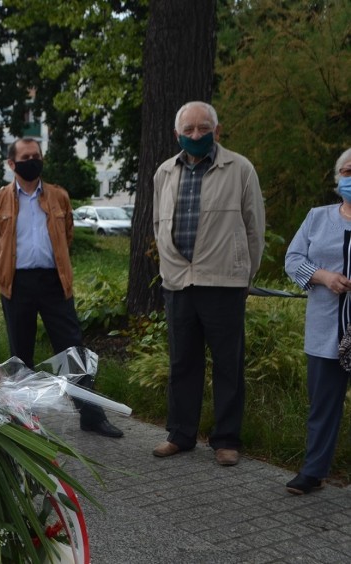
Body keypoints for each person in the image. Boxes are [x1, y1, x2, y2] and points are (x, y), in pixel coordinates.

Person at [0, 137, 124, 439]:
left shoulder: (59, 197)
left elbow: (67, 234)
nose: (32, 160)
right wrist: (7, 267)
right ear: (11, 164)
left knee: (73, 350)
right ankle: (23, 417)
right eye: (25, 156)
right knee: (21, 353)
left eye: (36, 155)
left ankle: (91, 416)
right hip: (16, 284)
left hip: (54, 282)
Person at [151, 101, 266, 466]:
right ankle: (181, 434)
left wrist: (244, 274)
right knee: (183, 362)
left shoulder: (240, 168)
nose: (196, 135)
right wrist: (169, 268)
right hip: (179, 284)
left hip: (223, 283)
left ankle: (226, 440)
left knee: (227, 364)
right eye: (189, 130)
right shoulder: (165, 172)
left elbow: (254, 228)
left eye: (203, 129)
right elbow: (158, 224)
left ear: (217, 131)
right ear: (177, 135)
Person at [283, 147, 351, 494]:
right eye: (348, 171)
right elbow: (292, 259)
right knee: (323, 405)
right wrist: (323, 276)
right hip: (327, 327)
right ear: (337, 178)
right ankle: (313, 472)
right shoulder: (317, 217)